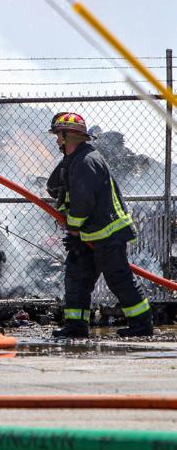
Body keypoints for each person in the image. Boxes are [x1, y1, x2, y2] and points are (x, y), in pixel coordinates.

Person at [47, 112, 153, 338]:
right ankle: (75, 326)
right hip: (89, 233)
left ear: (68, 137)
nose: (56, 140)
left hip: (107, 231)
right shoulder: (72, 161)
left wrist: (73, 227)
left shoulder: (86, 161)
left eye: (59, 135)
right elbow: (55, 185)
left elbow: (84, 201)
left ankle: (142, 325)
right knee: (77, 278)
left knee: (118, 277)